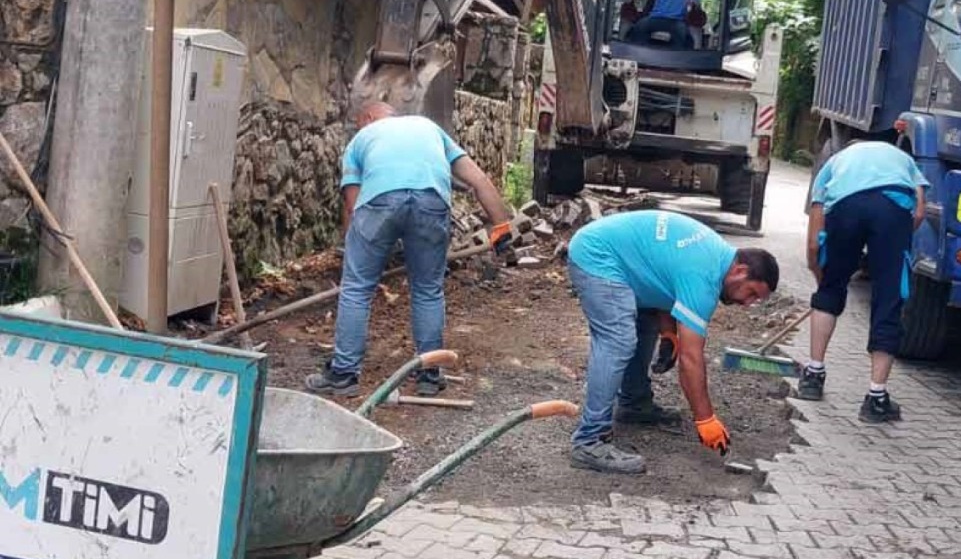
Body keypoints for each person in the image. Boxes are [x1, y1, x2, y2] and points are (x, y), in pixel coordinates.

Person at [306, 102, 515, 397]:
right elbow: (478, 180)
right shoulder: (430, 128)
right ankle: (429, 374)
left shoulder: (359, 140)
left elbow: (353, 207)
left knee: (356, 288)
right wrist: (501, 230)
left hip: (378, 202)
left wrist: (354, 250)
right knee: (428, 288)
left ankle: (343, 374)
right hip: (431, 201)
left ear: (367, 119)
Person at [565, 209, 779, 473]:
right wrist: (705, 418)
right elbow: (691, 358)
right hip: (597, 256)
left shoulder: (715, 257)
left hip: (620, 260)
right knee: (618, 339)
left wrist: (668, 332)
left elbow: (662, 277)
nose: (747, 304)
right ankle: (588, 441)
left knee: (645, 323)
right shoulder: (705, 276)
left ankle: (634, 403)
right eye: (751, 293)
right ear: (741, 270)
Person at [798, 140, 928, 422]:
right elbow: (918, 211)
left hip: (846, 207)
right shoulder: (903, 159)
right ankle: (876, 398)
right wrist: (893, 243)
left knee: (830, 292)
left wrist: (824, 278)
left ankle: (813, 375)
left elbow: (813, 241)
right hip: (893, 207)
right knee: (889, 298)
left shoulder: (835, 162)